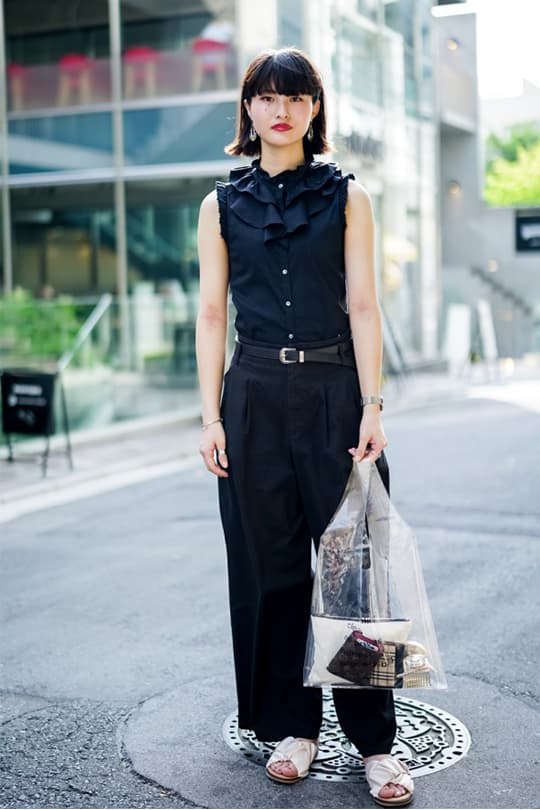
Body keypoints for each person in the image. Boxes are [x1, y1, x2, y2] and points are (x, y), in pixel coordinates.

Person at [196, 47, 414, 807]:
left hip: (332, 392)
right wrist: (211, 417)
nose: (280, 109)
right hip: (252, 394)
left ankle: (377, 745)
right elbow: (212, 314)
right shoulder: (219, 206)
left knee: (355, 569)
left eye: (296, 97)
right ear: (248, 110)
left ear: (315, 110)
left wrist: (372, 402)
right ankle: (295, 729)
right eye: (266, 96)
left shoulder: (347, 197)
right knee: (275, 572)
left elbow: (362, 306)